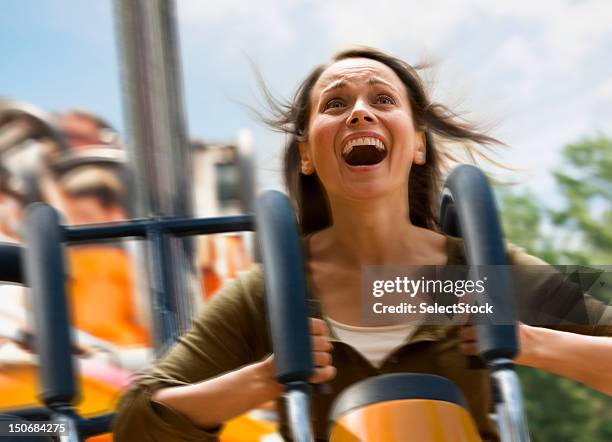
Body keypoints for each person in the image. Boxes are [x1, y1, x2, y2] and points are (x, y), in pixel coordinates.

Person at [112, 47, 612, 441]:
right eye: (335, 104)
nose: (358, 113)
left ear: (417, 143)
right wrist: (264, 379)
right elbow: (136, 420)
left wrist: (532, 342)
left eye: (382, 99)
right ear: (306, 153)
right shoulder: (267, 293)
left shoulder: (483, 268)